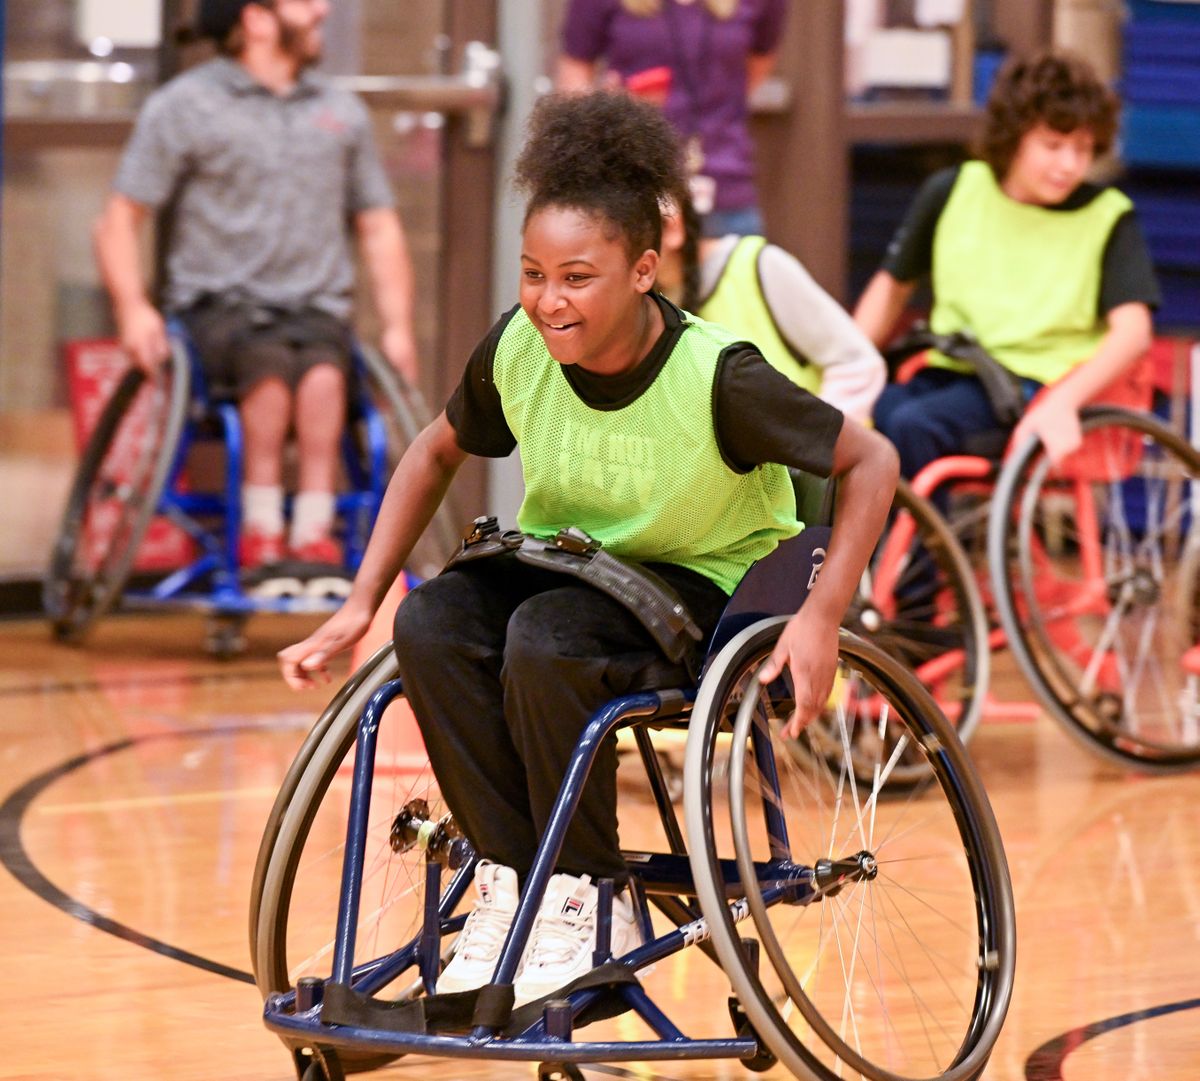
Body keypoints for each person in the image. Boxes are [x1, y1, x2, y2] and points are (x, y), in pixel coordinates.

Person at [278, 91, 897, 1006]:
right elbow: (435, 448)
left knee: (547, 638)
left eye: (576, 276)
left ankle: (583, 896)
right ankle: (512, 878)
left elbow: (871, 458)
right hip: (572, 566)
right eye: (532, 273)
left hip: (706, 588)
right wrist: (363, 599)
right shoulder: (521, 348)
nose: (546, 299)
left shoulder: (718, 375)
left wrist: (822, 613)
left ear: (644, 270)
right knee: (437, 618)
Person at [93, 0, 419, 570]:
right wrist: (132, 309)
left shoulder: (341, 112)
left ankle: (314, 527)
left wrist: (398, 327)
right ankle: (262, 525)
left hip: (314, 310)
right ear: (257, 19)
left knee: (323, 372)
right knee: (267, 368)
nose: (321, 9)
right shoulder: (186, 105)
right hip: (219, 308)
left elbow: (378, 225)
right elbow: (120, 218)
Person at [854, 51, 1160, 477]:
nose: (1068, 165)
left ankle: (916, 547)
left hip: (1034, 389)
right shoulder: (953, 190)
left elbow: (1134, 331)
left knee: (912, 425)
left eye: (1083, 148)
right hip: (950, 370)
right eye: (1053, 145)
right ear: (1014, 137)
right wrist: (845, 370)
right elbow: (891, 288)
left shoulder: (1109, 214)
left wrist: (1064, 400)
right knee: (859, 420)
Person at [556, 0, 787, 238]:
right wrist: (606, 112)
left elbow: (759, 61)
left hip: (724, 183)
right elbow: (574, 74)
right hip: (632, 184)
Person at [657, 194, 885, 425]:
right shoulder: (647, 302)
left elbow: (858, 363)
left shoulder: (758, 265)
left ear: (671, 227)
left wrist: (813, 442)